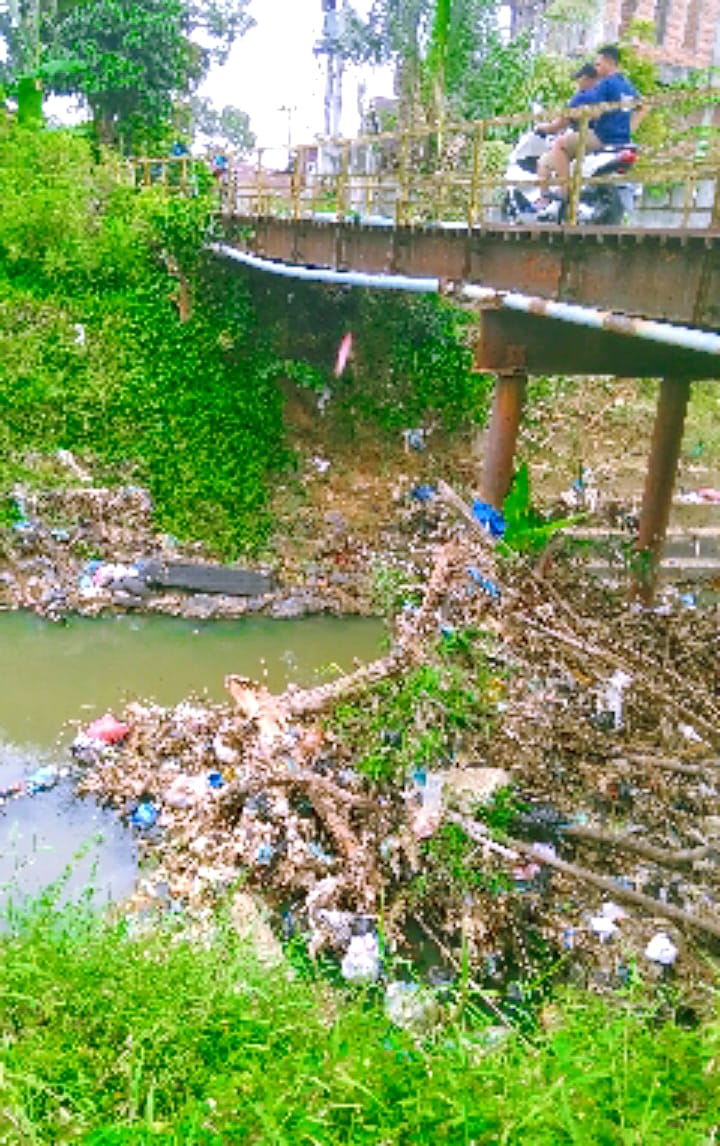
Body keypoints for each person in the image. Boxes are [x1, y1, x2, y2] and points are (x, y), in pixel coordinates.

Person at [537, 45, 640, 209]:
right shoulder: (626, 85)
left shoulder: (606, 84)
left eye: (598, 64)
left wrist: (576, 114)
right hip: (622, 140)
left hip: (603, 137)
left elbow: (596, 114)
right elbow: (643, 106)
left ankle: (564, 190)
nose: (597, 68)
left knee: (560, 144)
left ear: (608, 63)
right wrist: (629, 127)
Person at [535, 63, 598, 203]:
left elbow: (559, 124)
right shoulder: (606, 94)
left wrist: (543, 127)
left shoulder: (582, 97)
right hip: (607, 139)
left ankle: (557, 194)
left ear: (587, 79)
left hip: (589, 139)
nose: (577, 83)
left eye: (579, 79)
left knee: (545, 160)